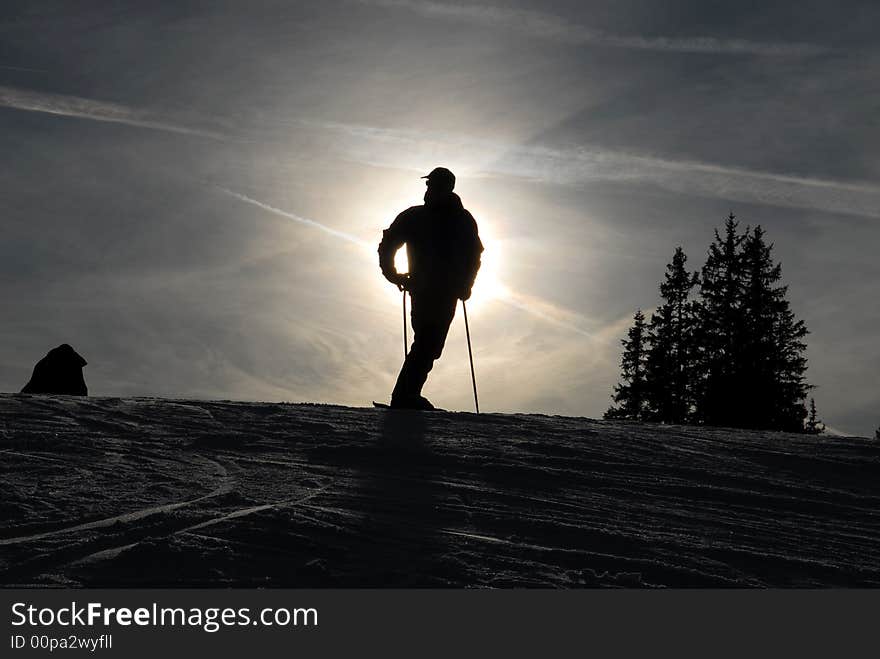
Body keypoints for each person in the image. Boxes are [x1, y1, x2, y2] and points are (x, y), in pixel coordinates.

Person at [378, 167, 483, 409]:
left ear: (445, 188)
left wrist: (466, 285)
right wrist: (393, 275)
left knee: (430, 343)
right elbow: (388, 244)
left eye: (432, 185)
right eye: (428, 185)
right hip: (428, 289)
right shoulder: (428, 217)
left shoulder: (459, 220)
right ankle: (405, 395)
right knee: (428, 340)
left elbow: (474, 255)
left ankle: (407, 394)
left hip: (444, 291)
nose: (428, 190)